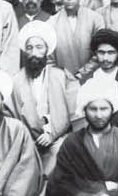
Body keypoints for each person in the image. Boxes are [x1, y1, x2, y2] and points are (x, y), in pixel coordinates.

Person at [9, 21, 78, 176]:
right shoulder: (15, 81)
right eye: (29, 48)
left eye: (39, 47)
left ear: (47, 50)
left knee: (60, 152)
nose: (34, 53)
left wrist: (51, 133)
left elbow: (73, 113)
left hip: (58, 137)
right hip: (26, 141)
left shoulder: (62, 76)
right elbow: (10, 117)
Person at [48, 0, 105, 80]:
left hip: (92, 80)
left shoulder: (96, 19)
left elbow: (101, 51)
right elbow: (49, 59)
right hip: (62, 81)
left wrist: (82, 73)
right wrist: (63, 76)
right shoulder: (51, 23)